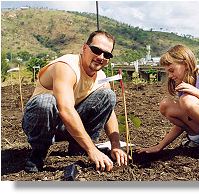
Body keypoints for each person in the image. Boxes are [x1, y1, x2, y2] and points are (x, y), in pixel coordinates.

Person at [22, 30, 129, 173]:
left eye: (107, 54)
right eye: (96, 50)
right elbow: (65, 109)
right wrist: (92, 149)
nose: (100, 57)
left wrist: (115, 145)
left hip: (68, 126)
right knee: (46, 102)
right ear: (84, 48)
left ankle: (78, 147)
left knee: (108, 95)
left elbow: (109, 113)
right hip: (41, 122)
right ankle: (38, 152)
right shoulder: (66, 67)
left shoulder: (101, 78)